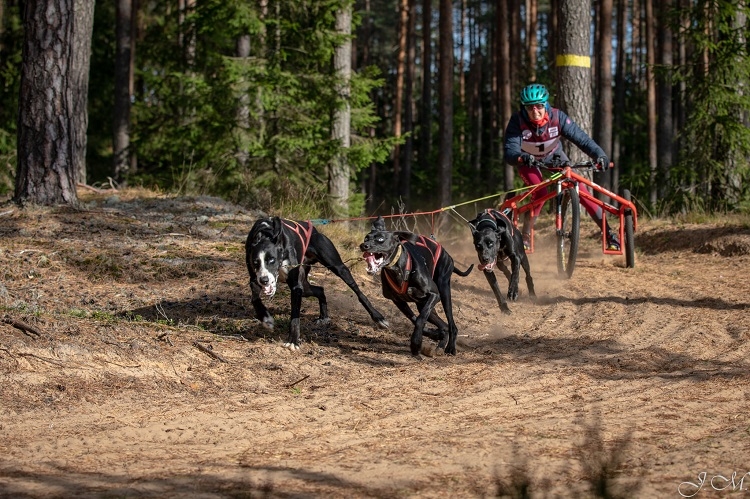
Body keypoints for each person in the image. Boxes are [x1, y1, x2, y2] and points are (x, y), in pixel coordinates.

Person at [503, 83, 620, 251]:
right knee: (540, 191)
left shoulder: (558, 117)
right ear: (524, 107)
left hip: (554, 157)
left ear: (545, 104)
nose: (534, 111)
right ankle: (526, 234)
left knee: (582, 190)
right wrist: (520, 157)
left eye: (539, 106)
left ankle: (610, 235)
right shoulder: (517, 121)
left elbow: (582, 139)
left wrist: (599, 155)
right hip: (528, 161)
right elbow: (510, 150)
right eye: (529, 107)